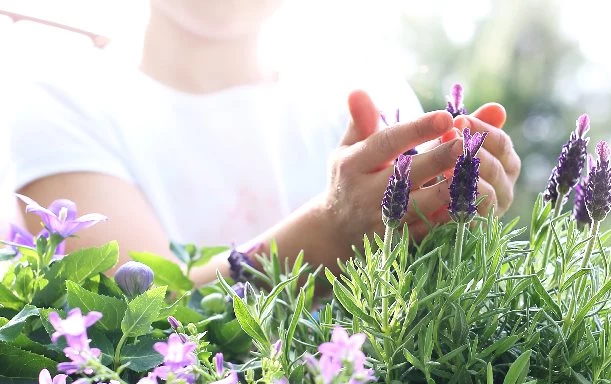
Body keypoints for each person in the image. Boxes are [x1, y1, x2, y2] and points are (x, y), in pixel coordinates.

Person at [7, 0, 521, 284]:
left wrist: (453, 224)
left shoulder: (366, 89)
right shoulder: (61, 101)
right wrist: (331, 235)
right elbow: (137, 320)